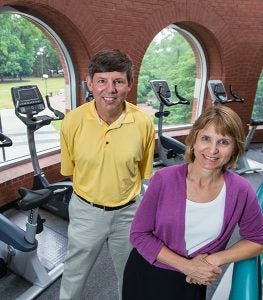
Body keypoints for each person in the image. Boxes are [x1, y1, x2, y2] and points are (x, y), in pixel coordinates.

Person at [122, 105, 263, 300]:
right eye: (206, 138)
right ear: (194, 140)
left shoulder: (241, 190)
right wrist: (187, 266)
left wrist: (215, 259)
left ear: (234, 148)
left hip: (195, 281)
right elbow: (139, 234)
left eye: (223, 142)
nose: (212, 150)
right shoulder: (163, 179)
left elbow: (257, 240)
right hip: (149, 274)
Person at [59, 49, 155, 300]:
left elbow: (142, 172)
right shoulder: (72, 122)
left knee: (132, 274)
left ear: (129, 85)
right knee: (73, 275)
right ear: (90, 84)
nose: (109, 89)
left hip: (129, 213)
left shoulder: (143, 123)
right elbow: (70, 171)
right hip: (86, 211)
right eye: (102, 81)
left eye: (118, 81)